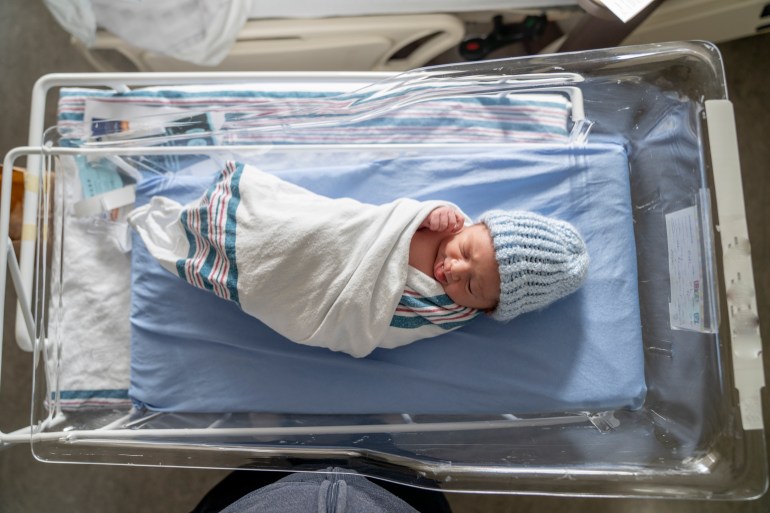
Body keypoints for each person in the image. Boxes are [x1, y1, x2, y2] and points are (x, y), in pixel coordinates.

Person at [130, 161, 589, 357]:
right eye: (466, 252)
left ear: (485, 309)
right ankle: (232, 222)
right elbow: (374, 224)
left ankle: (227, 254)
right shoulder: (444, 222)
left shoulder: (443, 311)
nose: (455, 269)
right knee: (294, 225)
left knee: (272, 263)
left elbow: (375, 323)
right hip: (332, 236)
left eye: (471, 287)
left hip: (330, 293)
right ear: (474, 226)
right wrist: (428, 213)